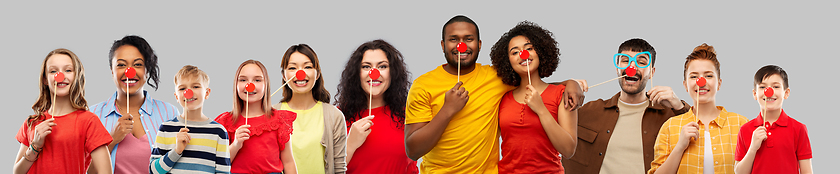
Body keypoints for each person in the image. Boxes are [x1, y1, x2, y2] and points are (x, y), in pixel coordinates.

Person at [404, 15, 583, 173]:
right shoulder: (423, 85)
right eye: (453, 39)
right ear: (443, 44)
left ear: (479, 44)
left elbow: (531, 83)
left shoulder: (496, 77)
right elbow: (413, 151)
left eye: (469, 39)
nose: (461, 45)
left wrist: (571, 84)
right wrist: (447, 110)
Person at [564, 38, 689, 174]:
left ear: (651, 72)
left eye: (641, 62)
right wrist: (563, 88)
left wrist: (679, 106)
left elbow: (704, 138)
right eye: (625, 61)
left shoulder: (670, 116)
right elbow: (540, 111)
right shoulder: (586, 111)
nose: (632, 67)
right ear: (617, 68)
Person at [489, 21, 577, 173]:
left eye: (529, 48)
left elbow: (568, 150)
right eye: (514, 52)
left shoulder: (562, 94)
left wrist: (541, 109)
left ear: (541, 52)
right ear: (507, 61)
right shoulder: (501, 98)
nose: (523, 55)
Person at [648, 44, 749, 174]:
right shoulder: (670, 127)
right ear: (685, 85)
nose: (701, 81)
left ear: (719, 83)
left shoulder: (741, 124)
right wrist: (679, 147)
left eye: (708, 75)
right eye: (694, 76)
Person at [90, 35, 180, 173]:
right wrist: (112, 140)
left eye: (137, 64)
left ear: (147, 69)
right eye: (121, 65)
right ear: (111, 70)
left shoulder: (170, 113)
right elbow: (84, 170)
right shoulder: (93, 115)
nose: (129, 71)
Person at [14, 48, 112, 174]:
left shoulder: (89, 121)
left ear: (76, 76)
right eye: (53, 71)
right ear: (45, 80)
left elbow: (105, 172)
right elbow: (17, 172)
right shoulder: (32, 122)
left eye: (68, 70)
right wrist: (35, 146)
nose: (60, 76)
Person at [335, 39, 418, 173]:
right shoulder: (337, 117)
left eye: (382, 66)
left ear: (393, 73)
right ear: (357, 73)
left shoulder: (408, 115)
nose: (374, 73)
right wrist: (350, 144)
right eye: (366, 66)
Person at [274, 44, 347, 174]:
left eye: (307, 67)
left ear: (317, 73)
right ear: (284, 76)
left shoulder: (334, 116)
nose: (300, 73)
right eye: (292, 68)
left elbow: (339, 168)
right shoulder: (271, 114)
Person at [215, 60, 297, 174]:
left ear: (266, 85)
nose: (250, 85)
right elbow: (218, 162)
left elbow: (288, 162)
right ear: (236, 85)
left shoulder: (279, 120)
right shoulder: (226, 122)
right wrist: (235, 145)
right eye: (243, 80)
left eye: (257, 80)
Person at [150, 65, 231, 173]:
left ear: (207, 93)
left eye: (196, 86)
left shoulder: (218, 131)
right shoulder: (166, 128)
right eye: (182, 88)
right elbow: (154, 171)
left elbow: (223, 172)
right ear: (176, 97)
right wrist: (176, 151)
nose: (188, 92)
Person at [734, 65, 813, 174]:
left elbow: (807, 171)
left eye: (775, 87)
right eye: (762, 87)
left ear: (786, 93)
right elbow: (739, 172)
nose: (768, 91)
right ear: (755, 94)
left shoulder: (799, 129)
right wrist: (752, 148)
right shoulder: (745, 130)